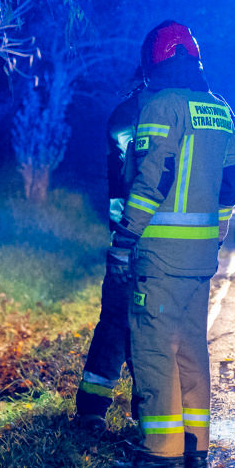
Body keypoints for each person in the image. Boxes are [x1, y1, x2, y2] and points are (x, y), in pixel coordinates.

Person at [108, 20, 235, 468]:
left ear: (157, 63)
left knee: (154, 350)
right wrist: (217, 234)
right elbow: (229, 186)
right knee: (191, 349)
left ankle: (159, 451)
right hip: (201, 257)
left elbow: (151, 181)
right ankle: (194, 447)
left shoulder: (163, 105)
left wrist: (125, 240)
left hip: (160, 255)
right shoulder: (220, 110)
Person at [74, 69, 152, 433]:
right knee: (146, 325)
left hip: (126, 236)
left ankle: (92, 408)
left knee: (116, 322)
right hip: (149, 241)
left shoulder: (125, 113)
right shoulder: (160, 112)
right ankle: (147, 412)